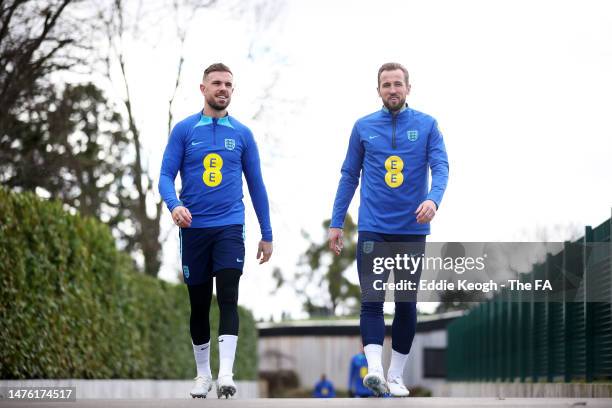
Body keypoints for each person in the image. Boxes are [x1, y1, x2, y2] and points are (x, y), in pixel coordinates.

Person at [328, 62, 449, 397]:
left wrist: (433, 200)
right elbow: (349, 176)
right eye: (386, 85)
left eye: (398, 84)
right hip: (373, 229)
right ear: (378, 90)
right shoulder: (363, 127)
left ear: (408, 88)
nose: (392, 90)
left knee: (407, 303)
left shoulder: (427, 125)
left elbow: (440, 166)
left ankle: (395, 375)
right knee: (372, 301)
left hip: (412, 229)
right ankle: (375, 371)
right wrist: (336, 222)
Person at [158, 63, 273, 399]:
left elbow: (257, 186)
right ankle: (203, 374)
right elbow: (165, 175)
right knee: (198, 305)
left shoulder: (242, 134)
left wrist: (266, 233)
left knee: (228, 295)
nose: (223, 89)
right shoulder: (183, 130)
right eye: (217, 83)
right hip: (193, 228)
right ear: (203, 88)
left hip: (229, 226)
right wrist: (174, 204)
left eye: (228, 85)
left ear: (232, 91)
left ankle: (226, 374)